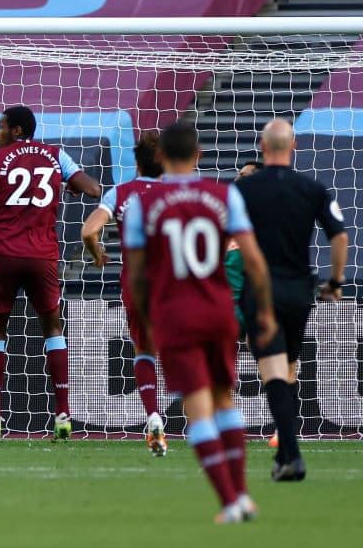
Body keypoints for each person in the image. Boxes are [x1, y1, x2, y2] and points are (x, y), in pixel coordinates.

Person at [124, 121, 276, 524]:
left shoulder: (143, 206)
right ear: (199, 154)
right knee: (225, 401)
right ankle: (243, 495)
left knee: (198, 408)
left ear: (160, 157)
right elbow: (254, 258)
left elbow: (137, 274)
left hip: (177, 315)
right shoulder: (225, 197)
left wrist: (149, 317)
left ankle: (229, 502)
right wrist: (264, 310)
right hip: (219, 311)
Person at [0, 106, 101, 441]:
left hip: (4, 254)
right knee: (52, 328)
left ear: (17, 130)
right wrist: (72, 184)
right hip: (41, 256)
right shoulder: (56, 155)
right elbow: (93, 189)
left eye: (1, 126)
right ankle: (63, 414)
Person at [234, 119, 348, 482]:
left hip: (261, 288)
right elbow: (339, 236)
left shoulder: (243, 190)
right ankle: (284, 453)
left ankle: (292, 457)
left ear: (263, 147)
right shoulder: (313, 188)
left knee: (272, 371)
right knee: (289, 365)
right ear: (293, 147)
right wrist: (335, 282)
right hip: (300, 291)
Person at [80, 129, 167, 455]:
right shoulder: (180, 192)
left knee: (144, 350)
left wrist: (97, 253)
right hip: (176, 282)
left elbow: (88, 231)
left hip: (137, 283)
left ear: (137, 163)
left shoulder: (120, 193)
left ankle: (153, 415)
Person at [224, 161, 264, 336]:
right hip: (221, 309)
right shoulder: (224, 218)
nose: (236, 179)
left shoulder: (266, 223)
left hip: (251, 310)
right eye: (237, 175)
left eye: (243, 176)